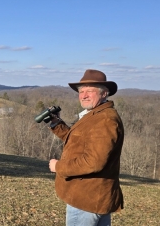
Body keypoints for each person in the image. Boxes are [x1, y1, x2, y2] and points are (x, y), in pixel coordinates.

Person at [47, 69, 124, 226]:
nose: (84, 95)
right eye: (81, 91)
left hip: (86, 200)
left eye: (90, 90)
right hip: (93, 198)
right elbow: (78, 142)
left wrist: (58, 167)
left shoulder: (105, 120)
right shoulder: (95, 114)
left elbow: (93, 162)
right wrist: (57, 124)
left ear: (104, 93)